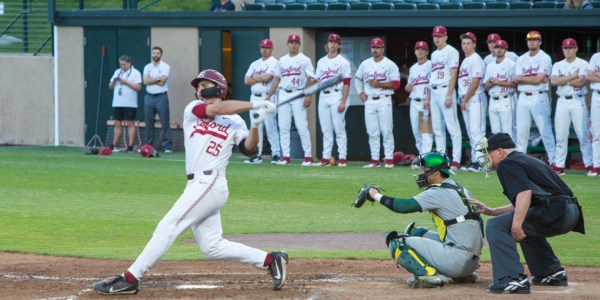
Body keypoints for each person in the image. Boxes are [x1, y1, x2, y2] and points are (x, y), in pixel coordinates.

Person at [91, 69, 288, 295]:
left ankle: (130, 278)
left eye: (204, 85)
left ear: (218, 88)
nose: (199, 90)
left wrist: (255, 124)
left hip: (211, 183)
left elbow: (249, 149)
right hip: (196, 185)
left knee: (168, 225)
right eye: (198, 86)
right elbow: (216, 109)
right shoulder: (193, 110)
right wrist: (254, 105)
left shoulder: (235, 122)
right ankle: (271, 259)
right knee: (212, 247)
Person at [472, 133, 584, 294]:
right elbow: (527, 202)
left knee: (497, 226)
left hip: (555, 212)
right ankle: (550, 272)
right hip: (569, 212)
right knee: (524, 221)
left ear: (500, 151)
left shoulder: (507, 164)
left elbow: (524, 194)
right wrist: (494, 211)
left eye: (488, 152)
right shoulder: (525, 159)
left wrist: (516, 226)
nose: (486, 157)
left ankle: (511, 278)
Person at [358, 152, 483, 288]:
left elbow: (403, 206)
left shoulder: (437, 192)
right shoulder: (461, 189)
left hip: (456, 261)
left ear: (436, 172)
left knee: (397, 243)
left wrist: (375, 194)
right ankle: (464, 276)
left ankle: (429, 276)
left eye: (425, 170)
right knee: (417, 232)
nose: (422, 174)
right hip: (471, 261)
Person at [266, 34, 314, 166]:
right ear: (288, 44)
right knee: (283, 126)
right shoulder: (282, 60)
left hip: (298, 93)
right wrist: (269, 95)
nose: (293, 45)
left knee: (301, 126)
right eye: (291, 42)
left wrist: (309, 95)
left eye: (296, 42)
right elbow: (276, 79)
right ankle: (286, 156)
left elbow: (312, 79)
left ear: (299, 45)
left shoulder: (305, 60)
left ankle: (308, 157)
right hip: (283, 93)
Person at [355, 37, 401, 168]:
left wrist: (379, 84)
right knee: (372, 132)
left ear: (383, 48)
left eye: (378, 47)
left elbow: (396, 84)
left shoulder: (390, 64)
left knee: (386, 131)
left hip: (384, 99)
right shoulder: (365, 64)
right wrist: (360, 93)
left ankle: (389, 159)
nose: (375, 50)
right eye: (373, 47)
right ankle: (374, 160)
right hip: (369, 100)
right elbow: (357, 78)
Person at [550, 38, 593, 176]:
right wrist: (571, 78)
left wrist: (564, 80)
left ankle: (589, 165)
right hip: (562, 101)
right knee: (561, 135)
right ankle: (559, 166)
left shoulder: (583, 63)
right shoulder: (558, 64)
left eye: (570, 48)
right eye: (565, 48)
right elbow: (554, 81)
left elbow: (580, 82)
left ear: (576, 49)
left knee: (583, 134)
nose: (567, 50)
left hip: (577, 100)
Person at [514, 31, 555, 166]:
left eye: (535, 40)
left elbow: (538, 80)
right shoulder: (521, 59)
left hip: (539, 97)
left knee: (545, 131)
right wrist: (533, 79)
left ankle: (554, 161)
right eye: (529, 40)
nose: (532, 42)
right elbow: (516, 79)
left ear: (540, 41)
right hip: (523, 98)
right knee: (521, 131)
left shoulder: (545, 58)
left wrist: (523, 78)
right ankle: (520, 161)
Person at [426, 26, 463, 171]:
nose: (437, 38)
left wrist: (449, 94)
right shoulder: (434, 54)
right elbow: (432, 77)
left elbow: (454, 74)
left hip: (445, 90)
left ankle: (456, 160)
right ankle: (441, 159)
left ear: (445, 37)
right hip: (434, 91)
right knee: (437, 127)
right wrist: (428, 98)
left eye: (440, 36)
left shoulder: (452, 51)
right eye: (435, 36)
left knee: (452, 126)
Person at [313, 33, 352, 167]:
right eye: (331, 42)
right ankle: (325, 158)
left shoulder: (343, 62)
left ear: (339, 45)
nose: (333, 44)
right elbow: (318, 80)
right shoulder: (321, 61)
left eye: (336, 42)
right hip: (324, 95)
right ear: (327, 45)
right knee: (326, 129)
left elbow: (347, 83)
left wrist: (343, 101)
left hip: (337, 95)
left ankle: (342, 158)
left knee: (339, 128)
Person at [244, 39, 281, 164]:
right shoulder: (254, 63)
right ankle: (256, 155)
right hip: (254, 97)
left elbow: (267, 77)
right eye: (263, 47)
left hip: (267, 97)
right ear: (260, 48)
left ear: (271, 49)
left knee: (270, 126)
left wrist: (255, 77)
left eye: (267, 47)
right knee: (255, 127)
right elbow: (246, 81)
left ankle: (276, 154)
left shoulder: (274, 62)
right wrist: (258, 78)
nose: (265, 49)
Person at [458, 32, 487, 172]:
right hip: (467, 99)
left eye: (468, 43)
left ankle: (482, 162)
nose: (466, 46)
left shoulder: (476, 59)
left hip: (475, 98)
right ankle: (475, 161)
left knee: (477, 132)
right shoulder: (465, 60)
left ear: (474, 44)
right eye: (464, 43)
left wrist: (465, 99)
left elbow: (475, 82)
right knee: (471, 133)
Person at [108, 55, 142, 152]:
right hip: (117, 102)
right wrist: (114, 81)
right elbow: (110, 86)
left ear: (129, 63)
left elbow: (138, 88)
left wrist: (126, 82)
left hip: (130, 103)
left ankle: (130, 145)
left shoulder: (136, 73)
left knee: (130, 123)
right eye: (121, 64)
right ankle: (115, 144)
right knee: (117, 123)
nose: (122, 66)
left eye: (124, 64)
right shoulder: (117, 72)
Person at [484, 40, 517, 141]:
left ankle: (509, 155)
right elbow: (486, 87)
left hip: (506, 98)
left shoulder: (511, 64)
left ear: (506, 50)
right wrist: (490, 83)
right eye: (497, 47)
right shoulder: (490, 66)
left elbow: (515, 84)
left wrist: (499, 82)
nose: (499, 50)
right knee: (495, 132)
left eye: (502, 48)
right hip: (493, 100)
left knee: (507, 131)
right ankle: (498, 156)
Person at [143, 46, 173, 153]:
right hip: (149, 97)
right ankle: (148, 146)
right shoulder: (147, 66)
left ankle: (167, 147)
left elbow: (163, 82)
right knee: (149, 123)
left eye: (157, 53)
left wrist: (153, 79)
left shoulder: (165, 66)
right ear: (151, 54)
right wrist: (158, 78)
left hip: (161, 97)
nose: (155, 55)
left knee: (165, 122)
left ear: (161, 55)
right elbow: (145, 81)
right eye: (153, 53)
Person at [406, 41, 433, 155]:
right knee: (416, 132)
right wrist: (407, 87)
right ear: (415, 52)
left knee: (425, 132)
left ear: (427, 52)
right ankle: (421, 156)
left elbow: (432, 85)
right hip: (414, 102)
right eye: (418, 49)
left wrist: (428, 99)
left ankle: (426, 157)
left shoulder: (431, 65)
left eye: (423, 49)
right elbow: (409, 87)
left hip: (425, 102)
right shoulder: (413, 68)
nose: (420, 51)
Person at [587, 51, 600, 176]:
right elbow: (588, 76)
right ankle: (597, 166)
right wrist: (594, 74)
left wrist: (597, 74)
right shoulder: (596, 56)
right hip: (597, 95)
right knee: (596, 132)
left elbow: (593, 75)